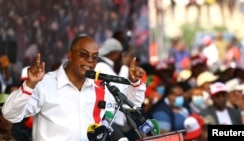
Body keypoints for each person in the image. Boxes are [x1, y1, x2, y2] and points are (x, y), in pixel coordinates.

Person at [1, 35, 146, 141]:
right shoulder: (46, 84)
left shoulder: (100, 86)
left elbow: (132, 105)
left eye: (95, 57)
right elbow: (10, 114)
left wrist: (134, 83)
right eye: (84, 55)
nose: (90, 60)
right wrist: (29, 85)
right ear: (70, 55)